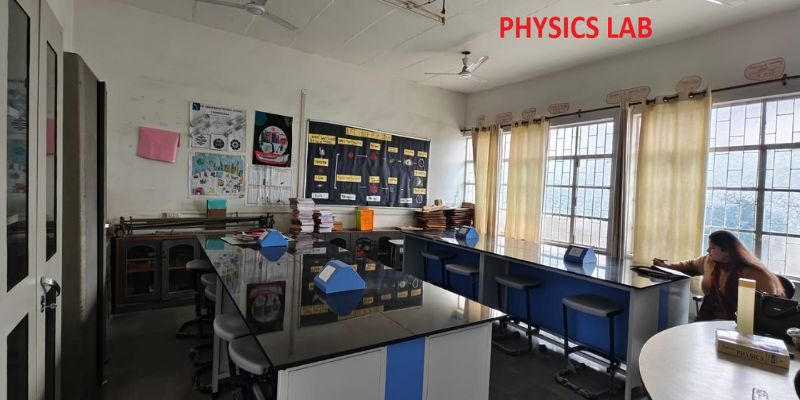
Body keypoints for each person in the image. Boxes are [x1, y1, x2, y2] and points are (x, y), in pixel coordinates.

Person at [653, 230, 784, 321]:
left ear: (726, 251)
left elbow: (764, 309)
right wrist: (667, 266)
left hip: (741, 323)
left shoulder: (754, 273)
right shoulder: (709, 261)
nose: (708, 250)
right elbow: (689, 266)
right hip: (709, 317)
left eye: (712, 248)